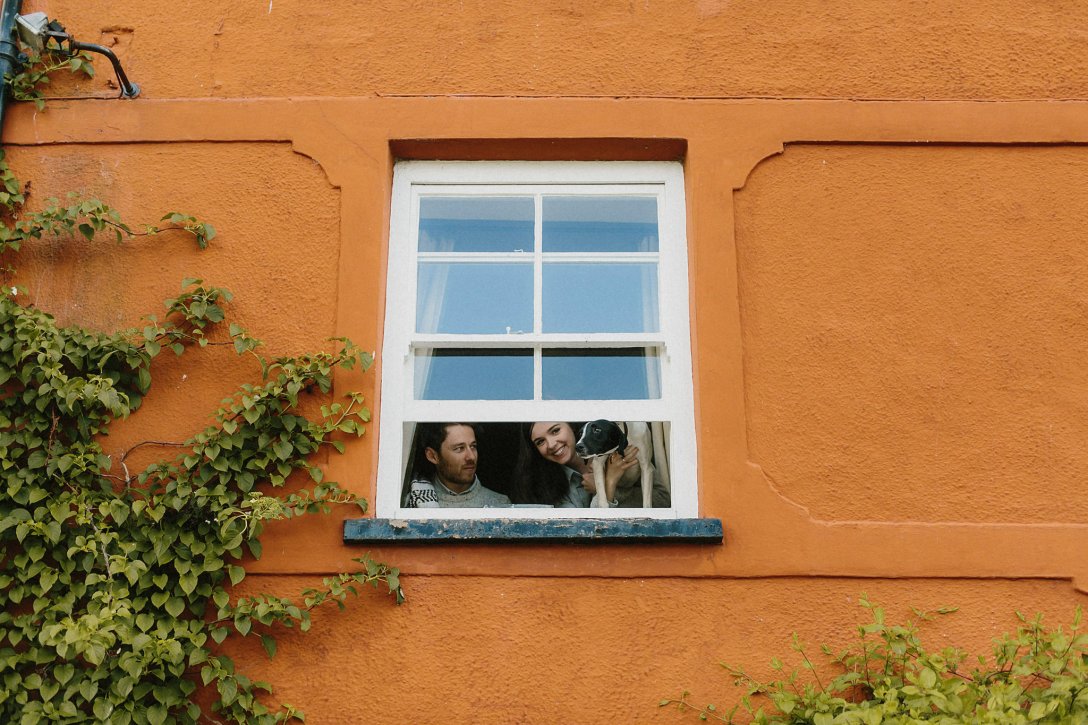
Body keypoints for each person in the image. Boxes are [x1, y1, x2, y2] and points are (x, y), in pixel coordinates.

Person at [509, 421, 670, 508]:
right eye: (540, 442)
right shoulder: (548, 487)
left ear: (571, 427)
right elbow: (586, 531)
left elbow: (663, 501)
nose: (551, 444)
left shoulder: (616, 447)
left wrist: (618, 489)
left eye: (555, 431)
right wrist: (609, 484)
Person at [403, 423, 511, 508]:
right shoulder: (414, 503)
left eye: (473, 446)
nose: (471, 457)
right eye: (459, 448)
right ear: (433, 456)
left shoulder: (500, 504)